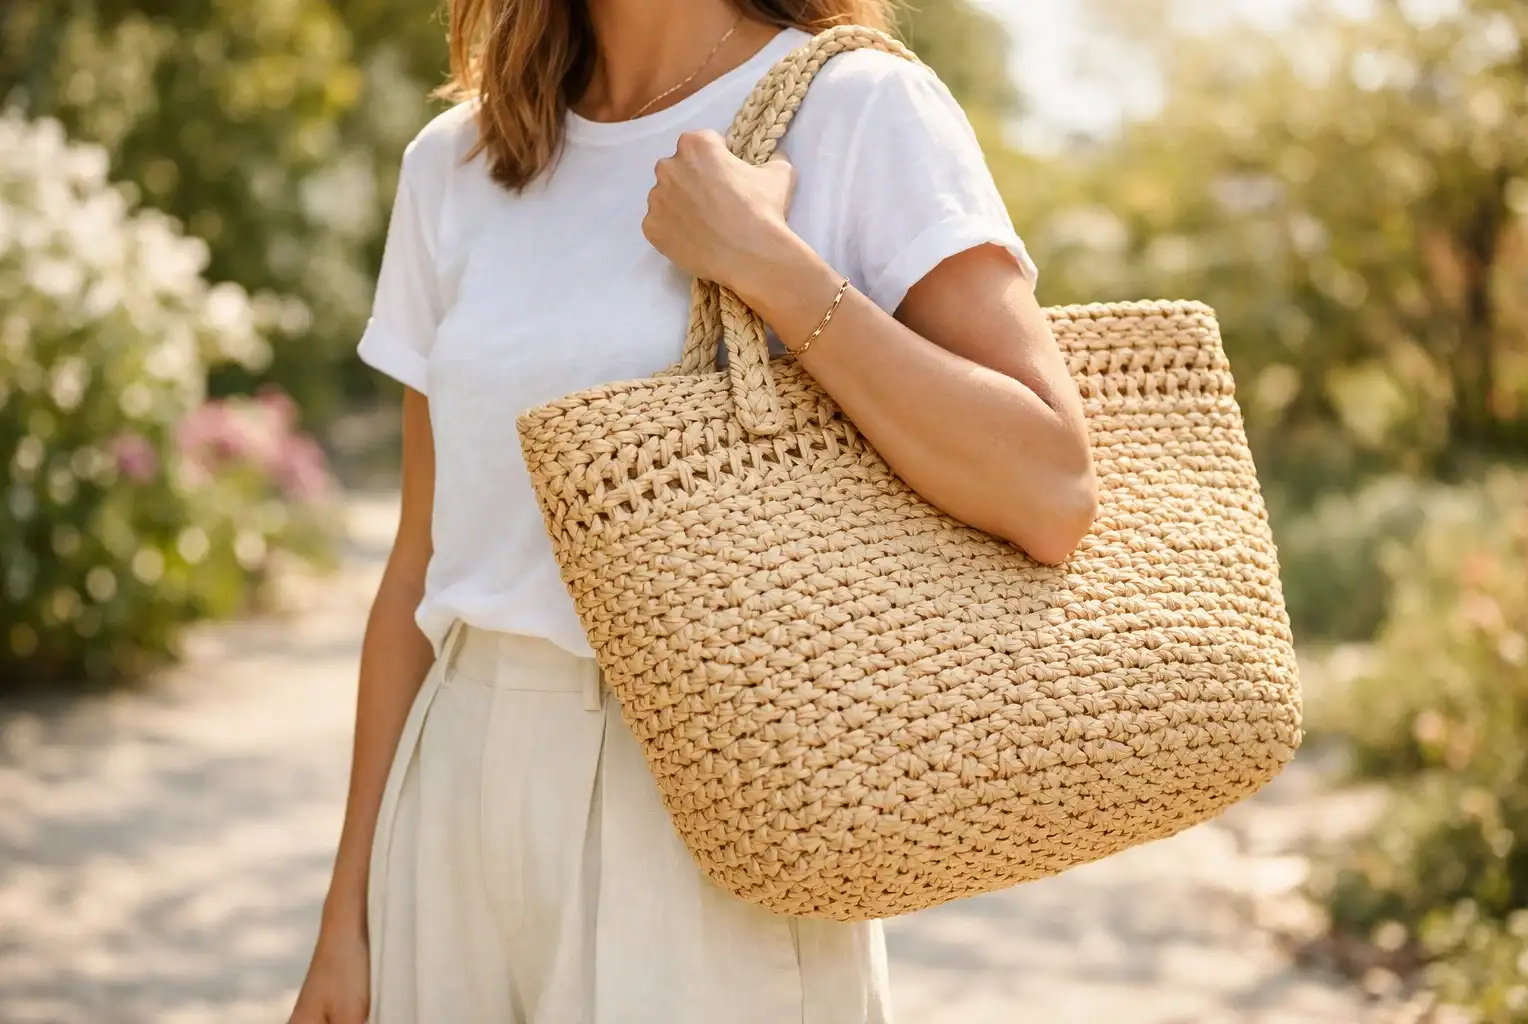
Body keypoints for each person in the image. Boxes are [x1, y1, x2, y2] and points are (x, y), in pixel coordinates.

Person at [290, 1, 1096, 1021]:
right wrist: (346, 912)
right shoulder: (458, 159)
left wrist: (769, 265)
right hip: (452, 783)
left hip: (713, 797)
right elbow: (417, 564)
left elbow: (1052, 487)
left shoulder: (855, 108)